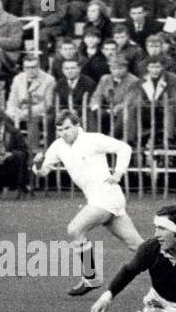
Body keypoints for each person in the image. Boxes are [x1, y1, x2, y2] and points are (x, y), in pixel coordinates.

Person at [32, 112, 145, 296]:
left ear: (77, 125)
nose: (63, 133)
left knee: (75, 229)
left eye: (67, 128)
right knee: (138, 246)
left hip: (107, 196)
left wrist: (118, 173)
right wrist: (36, 166)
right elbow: (44, 171)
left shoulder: (93, 139)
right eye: (59, 130)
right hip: (97, 199)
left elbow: (124, 148)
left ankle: (91, 278)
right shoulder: (58, 146)